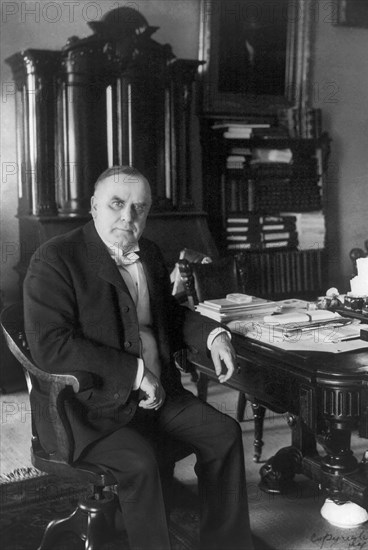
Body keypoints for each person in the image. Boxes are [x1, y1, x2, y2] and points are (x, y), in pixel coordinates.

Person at [23, 166, 254, 550]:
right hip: (86, 409)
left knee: (224, 434)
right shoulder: (54, 257)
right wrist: (134, 373)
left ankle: (226, 543)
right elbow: (51, 345)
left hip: (159, 397)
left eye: (140, 208)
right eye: (117, 204)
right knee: (141, 462)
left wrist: (214, 335)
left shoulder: (148, 252)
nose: (128, 217)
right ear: (95, 207)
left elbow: (171, 313)